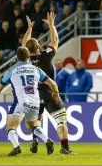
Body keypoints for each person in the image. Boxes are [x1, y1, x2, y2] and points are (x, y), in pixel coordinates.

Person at [22, 12, 75, 155]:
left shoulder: (24, 59)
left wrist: (29, 29)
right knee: (61, 121)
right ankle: (65, 148)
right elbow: (55, 40)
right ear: (38, 47)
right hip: (49, 93)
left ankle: (35, 140)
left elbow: (23, 45)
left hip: (32, 95)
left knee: (36, 120)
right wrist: (51, 25)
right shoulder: (44, 57)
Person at [0, 47, 58, 156]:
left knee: (10, 126)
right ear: (28, 57)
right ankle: (46, 140)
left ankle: (16, 147)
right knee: (32, 125)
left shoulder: (12, 70)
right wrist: (55, 93)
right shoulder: (36, 69)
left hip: (20, 101)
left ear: (17, 57)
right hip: (35, 101)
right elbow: (53, 84)